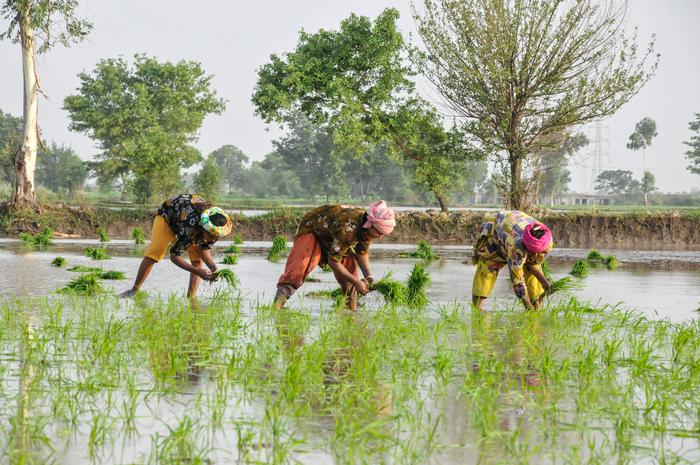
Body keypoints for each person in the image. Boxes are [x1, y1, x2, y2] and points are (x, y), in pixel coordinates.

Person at [273, 200, 396, 311]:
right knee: (298, 269)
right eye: (379, 232)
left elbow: (362, 252)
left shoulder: (366, 231)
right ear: (370, 225)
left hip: (335, 237)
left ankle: (351, 314)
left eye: (383, 234)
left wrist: (369, 277)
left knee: (350, 280)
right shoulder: (348, 228)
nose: (381, 237)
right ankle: (276, 309)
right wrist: (358, 282)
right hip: (314, 228)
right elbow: (333, 261)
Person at [119, 194, 232, 299]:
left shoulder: (214, 227)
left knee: (197, 261)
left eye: (217, 236)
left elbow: (203, 249)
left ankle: (191, 298)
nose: (214, 239)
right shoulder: (190, 226)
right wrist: (198, 271)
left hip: (186, 221)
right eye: (211, 236)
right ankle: (134, 290)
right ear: (204, 228)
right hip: (168, 216)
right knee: (156, 252)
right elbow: (174, 256)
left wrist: (214, 268)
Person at [471, 210, 553, 310]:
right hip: (495, 233)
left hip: (515, 222)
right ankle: (477, 312)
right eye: (532, 252)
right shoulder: (516, 246)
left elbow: (532, 263)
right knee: (488, 270)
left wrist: (543, 281)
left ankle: (537, 308)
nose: (535, 255)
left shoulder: (546, 240)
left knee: (535, 286)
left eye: (537, 252)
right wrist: (529, 310)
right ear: (525, 246)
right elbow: (518, 283)